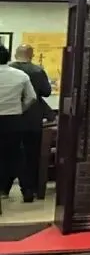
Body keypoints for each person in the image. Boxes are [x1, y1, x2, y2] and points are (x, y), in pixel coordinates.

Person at [10, 45, 52, 202]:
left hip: (11, 116)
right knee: (32, 154)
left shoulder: (8, 70)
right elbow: (46, 92)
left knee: (10, 153)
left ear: (15, 54)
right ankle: (30, 188)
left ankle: (5, 187)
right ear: (31, 55)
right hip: (32, 118)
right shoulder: (38, 71)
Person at [0, 45, 35, 202]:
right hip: (13, 120)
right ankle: (27, 190)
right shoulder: (20, 75)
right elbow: (31, 97)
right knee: (17, 156)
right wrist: (20, 108)